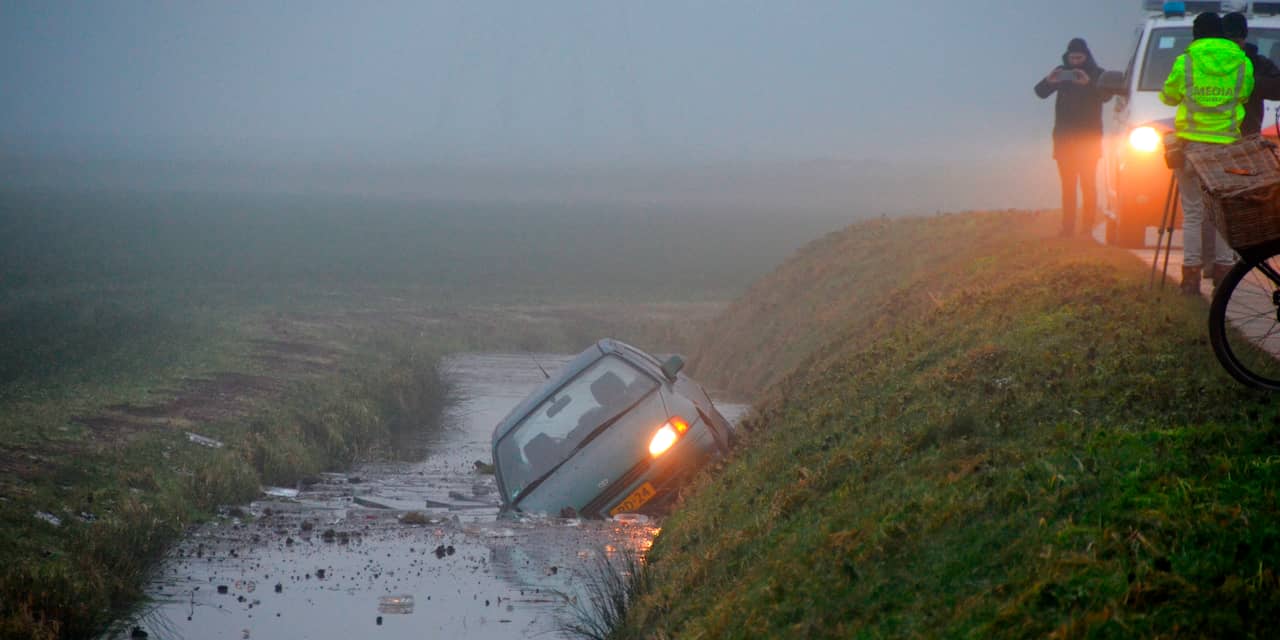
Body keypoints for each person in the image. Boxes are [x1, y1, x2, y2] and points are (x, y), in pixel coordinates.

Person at [1160, 12, 1253, 295]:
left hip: (1190, 147)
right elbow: (1244, 95)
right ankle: (1223, 276)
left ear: (1196, 33)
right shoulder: (1241, 60)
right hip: (1226, 148)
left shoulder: (1186, 60)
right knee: (1223, 213)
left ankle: (1190, 278)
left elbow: (1168, 96)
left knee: (1192, 212)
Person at [1035, 38, 1109, 236]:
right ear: (1066, 57)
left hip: (1089, 141)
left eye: (1079, 57)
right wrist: (1049, 81)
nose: (1075, 61)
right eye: (1072, 57)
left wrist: (1088, 84)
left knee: (1088, 185)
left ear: (1087, 56)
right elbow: (1040, 93)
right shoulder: (1061, 73)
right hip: (1064, 141)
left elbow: (1106, 96)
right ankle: (1067, 228)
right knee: (1068, 187)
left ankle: (1087, 228)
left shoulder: (1098, 74)